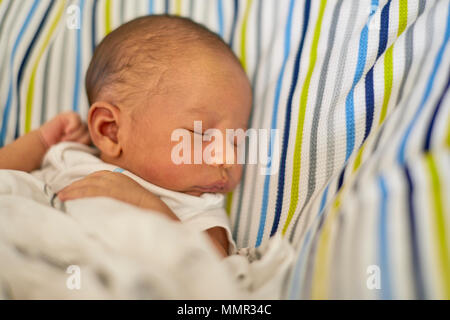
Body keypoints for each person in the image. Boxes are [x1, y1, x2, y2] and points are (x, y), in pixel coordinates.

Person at [0, 15, 252, 258]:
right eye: (201, 133)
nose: (227, 157)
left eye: (236, 140)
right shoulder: (70, 157)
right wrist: (41, 142)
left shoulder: (196, 208)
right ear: (110, 130)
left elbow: (214, 270)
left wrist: (146, 204)